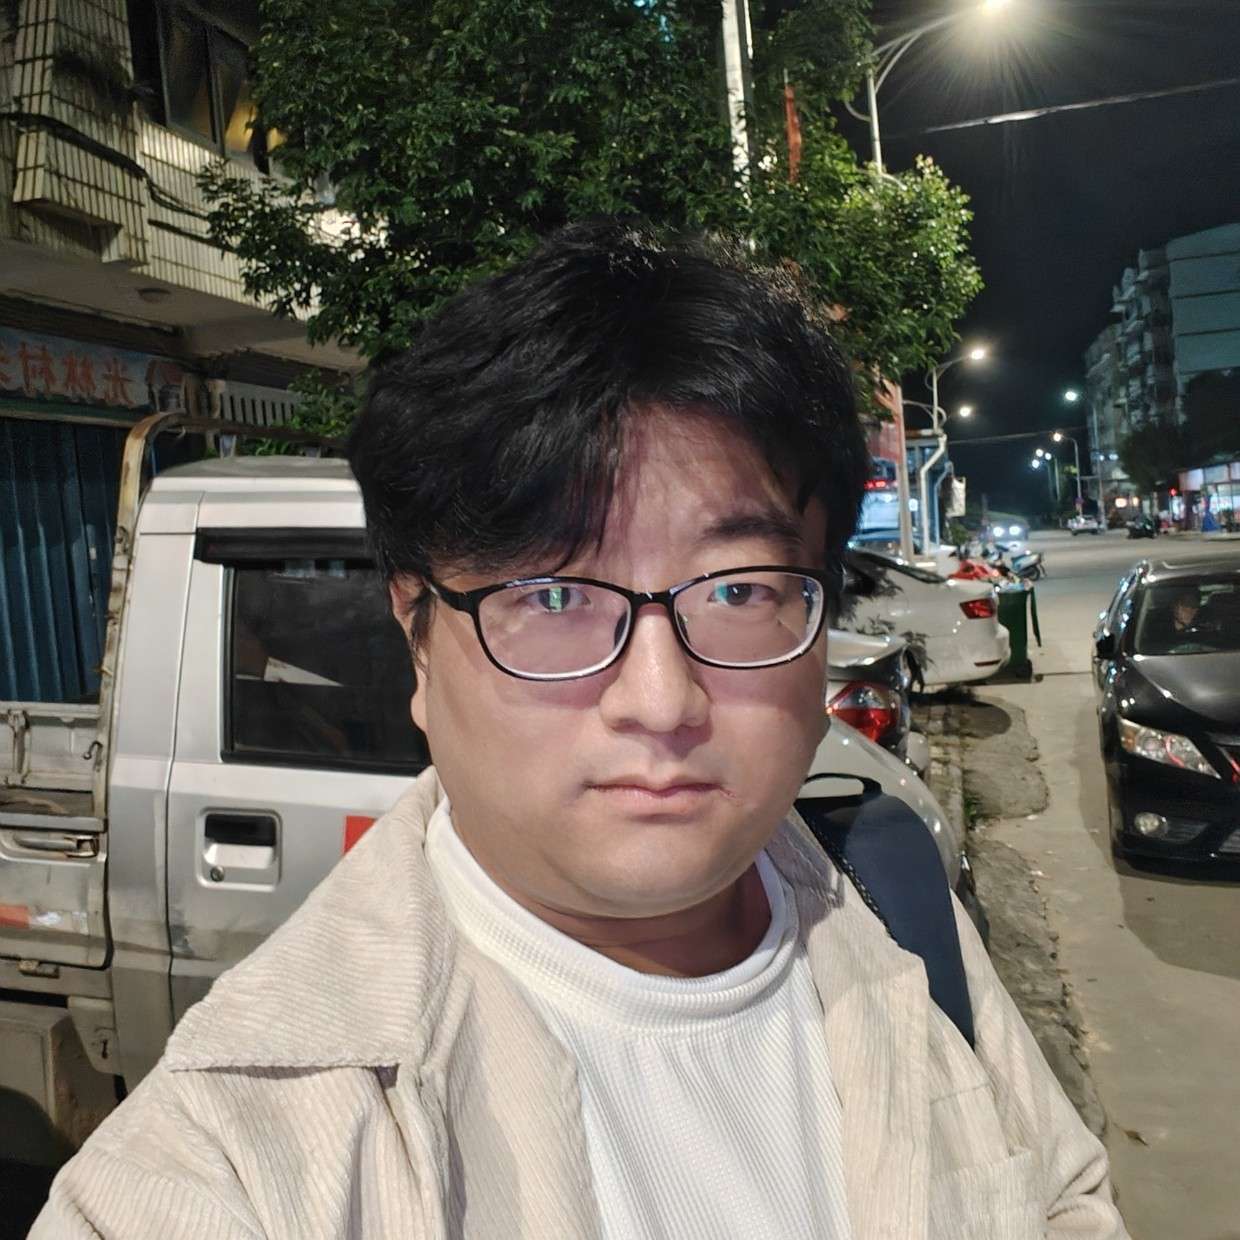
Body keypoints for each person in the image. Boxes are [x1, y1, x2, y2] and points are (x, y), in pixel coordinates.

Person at [32, 222, 1128, 1239]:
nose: (661, 698)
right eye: (553, 596)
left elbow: (1063, 1199)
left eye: (739, 590)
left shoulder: (896, 913)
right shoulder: (226, 1157)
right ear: (418, 640)